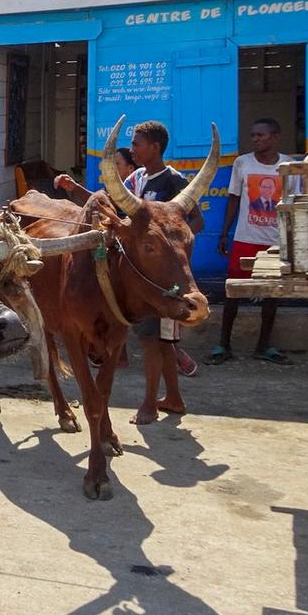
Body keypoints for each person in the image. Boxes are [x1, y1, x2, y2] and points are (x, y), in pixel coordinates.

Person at [123, 120, 203, 425]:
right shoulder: (137, 179)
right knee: (160, 340)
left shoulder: (174, 181)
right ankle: (174, 398)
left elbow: (197, 221)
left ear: (154, 148)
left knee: (153, 341)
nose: (132, 150)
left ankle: (149, 405)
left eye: (137, 144)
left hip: (166, 280)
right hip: (144, 278)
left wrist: (169, 244)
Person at [208, 117, 299, 365]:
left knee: (271, 295)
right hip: (245, 238)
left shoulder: (290, 166)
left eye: (261, 135)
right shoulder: (242, 163)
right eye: (254, 135)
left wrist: (293, 240)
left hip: (275, 241)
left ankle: (263, 345)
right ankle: (223, 345)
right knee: (233, 292)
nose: (256, 139)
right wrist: (225, 233)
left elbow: (295, 206)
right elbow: (234, 199)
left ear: (275, 137)